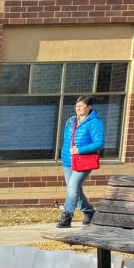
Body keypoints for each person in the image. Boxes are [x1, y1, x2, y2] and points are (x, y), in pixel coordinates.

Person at [57, 95, 105, 228]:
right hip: (68, 160)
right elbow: (67, 140)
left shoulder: (95, 122)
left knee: (72, 188)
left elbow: (99, 143)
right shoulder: (71, 121)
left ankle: (67, 215)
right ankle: (89, 211)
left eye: (81, 105)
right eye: (76, 106)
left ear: (89, 107)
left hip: (83, 160)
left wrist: (80, 150)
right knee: (74, 189)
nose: (77, 108)